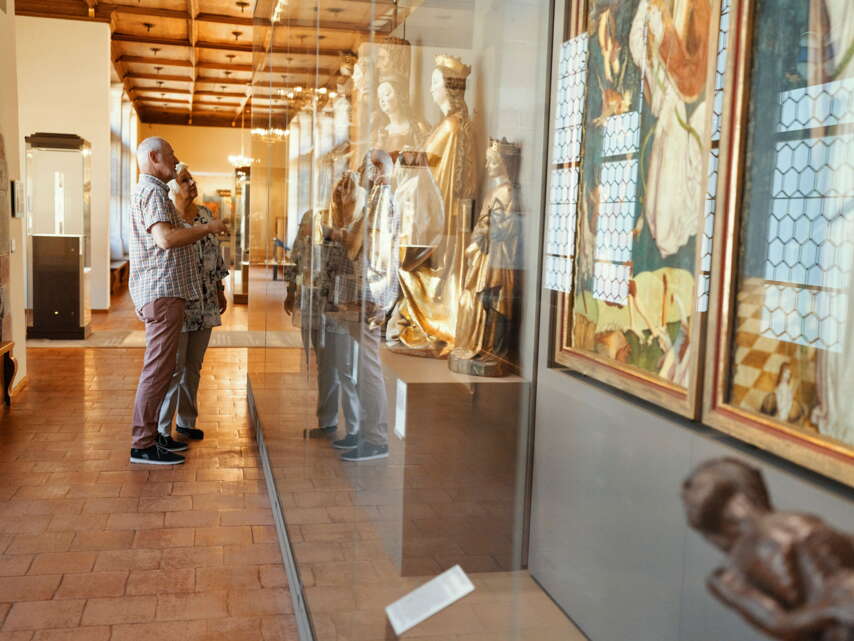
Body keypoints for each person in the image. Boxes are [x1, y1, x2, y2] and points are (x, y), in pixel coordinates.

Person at [129, 137, 227, 465]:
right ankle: (143, 443)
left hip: (167, 293)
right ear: (155, 157)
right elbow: (166, 238)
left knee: (166, 368)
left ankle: (153, 437)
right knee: (159, 370)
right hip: (162, 292)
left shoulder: (155, 191)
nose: (176, 159)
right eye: (171, 154)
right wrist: (208, 227)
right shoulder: (154, 191)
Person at [682, 458, 854, 640]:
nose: (687, 491)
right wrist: (831, 610)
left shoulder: (799, 524)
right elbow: (776, 622)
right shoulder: (728, 577)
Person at [156, 164, 229, 446]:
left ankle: (186, 422)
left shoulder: (205, 215)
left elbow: (215, 254)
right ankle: (162, 430)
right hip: (179, 301)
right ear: (173, 188)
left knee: (193, 366)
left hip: (206, 300)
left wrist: (220, 288)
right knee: (173, 368)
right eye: (184, 180)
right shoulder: (167, 219)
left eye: (191, 179)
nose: (191, 184)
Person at [284, 202, 360, 448]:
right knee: (324, 366)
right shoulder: (311, 215)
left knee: (345, 369)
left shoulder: (353, 219)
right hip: (312, 304)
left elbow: (358, 258)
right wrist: (291, 289)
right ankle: (326, 422)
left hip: (340, 306)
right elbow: (298, 254)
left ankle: (355, 429)